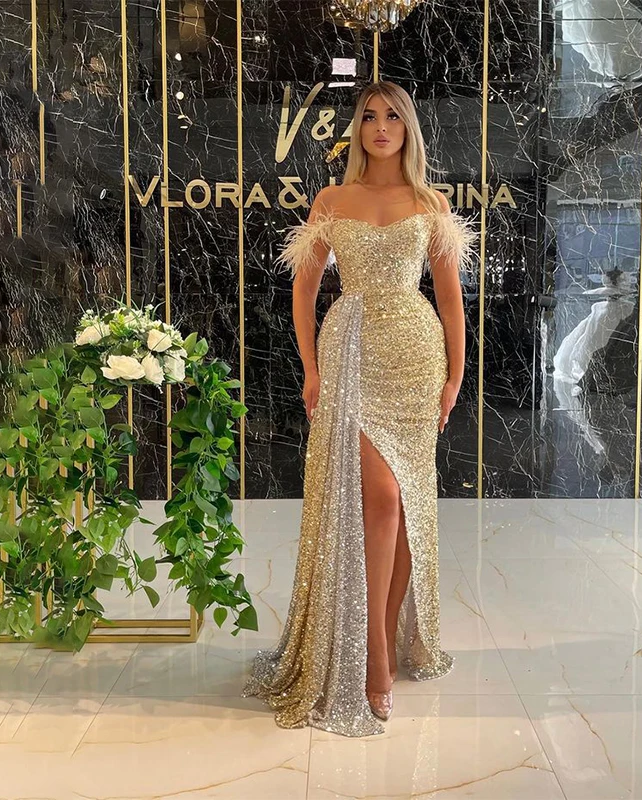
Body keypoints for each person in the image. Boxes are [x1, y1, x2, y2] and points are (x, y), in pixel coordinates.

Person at [242, 81, 478, 737]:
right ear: (357, 129)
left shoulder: (430, 203)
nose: (380, 126)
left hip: (415, 355)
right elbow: (305, 290)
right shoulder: (331, 199)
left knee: (407, 505)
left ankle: (388, 638)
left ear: (408, 129)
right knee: (381, 497)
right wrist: (311, 368)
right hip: (351, 352)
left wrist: (456, 375)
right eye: (369, 116)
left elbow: (451, 299)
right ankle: (372, 651)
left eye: (393, 116)